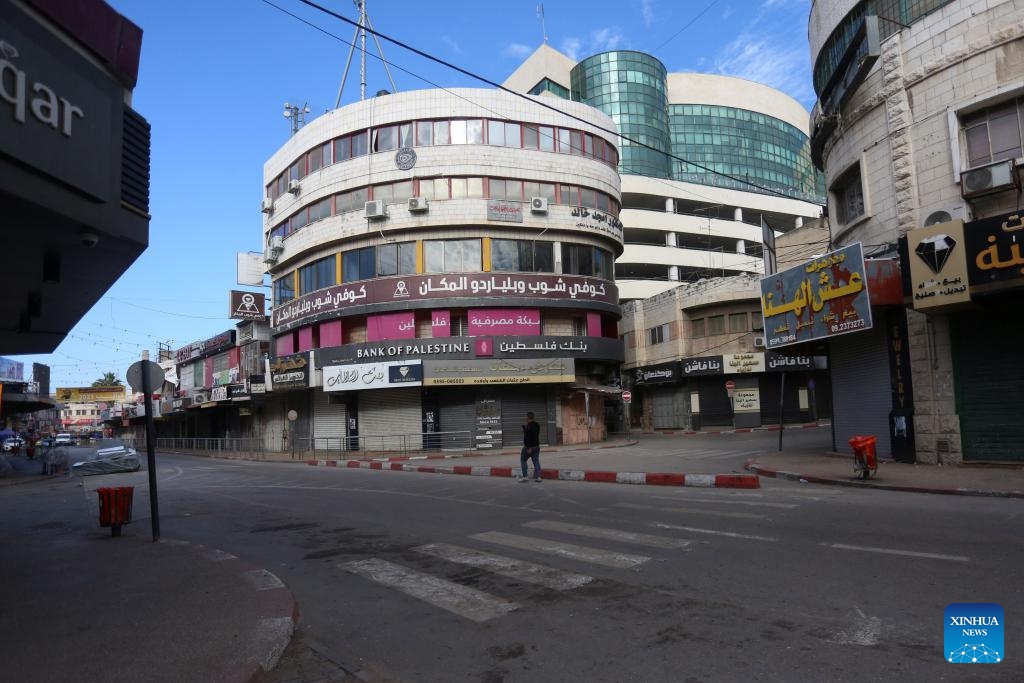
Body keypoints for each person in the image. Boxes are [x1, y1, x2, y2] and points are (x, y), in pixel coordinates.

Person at [519, 411, 542, 482]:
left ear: (527, 417)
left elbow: (528, 437)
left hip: (529, 447)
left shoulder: (528, 426)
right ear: (533, 417)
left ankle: (525, 477)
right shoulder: (537, 425)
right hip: (536, 446)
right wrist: (525, 429)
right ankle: (538, 477)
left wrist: (528, 448)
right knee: (536, 461)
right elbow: (534, 434)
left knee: (523, 460)